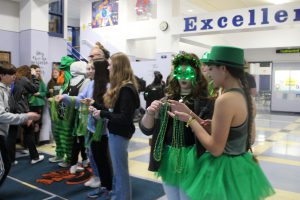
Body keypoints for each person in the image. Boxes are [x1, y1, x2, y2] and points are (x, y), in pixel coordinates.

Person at [168, 46, 275, 200]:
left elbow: (215, 149)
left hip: (223, 170)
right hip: (241, 165)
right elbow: (244, 137)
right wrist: (190, 112)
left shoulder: (225, 100)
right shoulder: (246, 97)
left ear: (223, 69)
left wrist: (191, 121)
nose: (208, 73)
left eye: (211, 68)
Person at [139, 52, 214, 200]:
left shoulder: (207, 102)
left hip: (194, 157)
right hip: (167, 157)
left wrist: (189, 113)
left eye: (188, 73)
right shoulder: (166, 99)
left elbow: (210, 131)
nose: (184, 77)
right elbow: (146, 129)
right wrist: (149, 113)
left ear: (197, 74)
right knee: (172, 197)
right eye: (179, 72)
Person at [92, 52, 140, 200]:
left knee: (120, 171)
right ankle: (118, 195)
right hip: (116, 133)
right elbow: (115, 111)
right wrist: (95, 106)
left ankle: (123, 197)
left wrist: (102, 114)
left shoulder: (126, 89)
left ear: (117, 67)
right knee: (118, 170)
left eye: (110, 64)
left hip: (120, 133)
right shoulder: (122, 87)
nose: (108, 67)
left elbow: (124, 118)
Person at [7, 65, 44, 164]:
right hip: (21, 110)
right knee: (29, 132)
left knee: (12, 134)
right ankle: (35, 157)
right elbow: (35, 88)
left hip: (11, 109)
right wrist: (34, 77)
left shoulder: (14, 79)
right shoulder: (23, 79)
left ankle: (11, 160)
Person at [28, 64, 47, 144]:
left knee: (38, 124)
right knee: (30, 124)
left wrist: (39, 94)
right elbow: (26, 93)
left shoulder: (41, 82)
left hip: (39, 105)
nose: (38, 72)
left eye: (39, 71)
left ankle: (36, 143)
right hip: (30, 104)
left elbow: (45, 92)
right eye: (37, 71)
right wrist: (32, 93)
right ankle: (29, 143)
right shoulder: (28, 81)